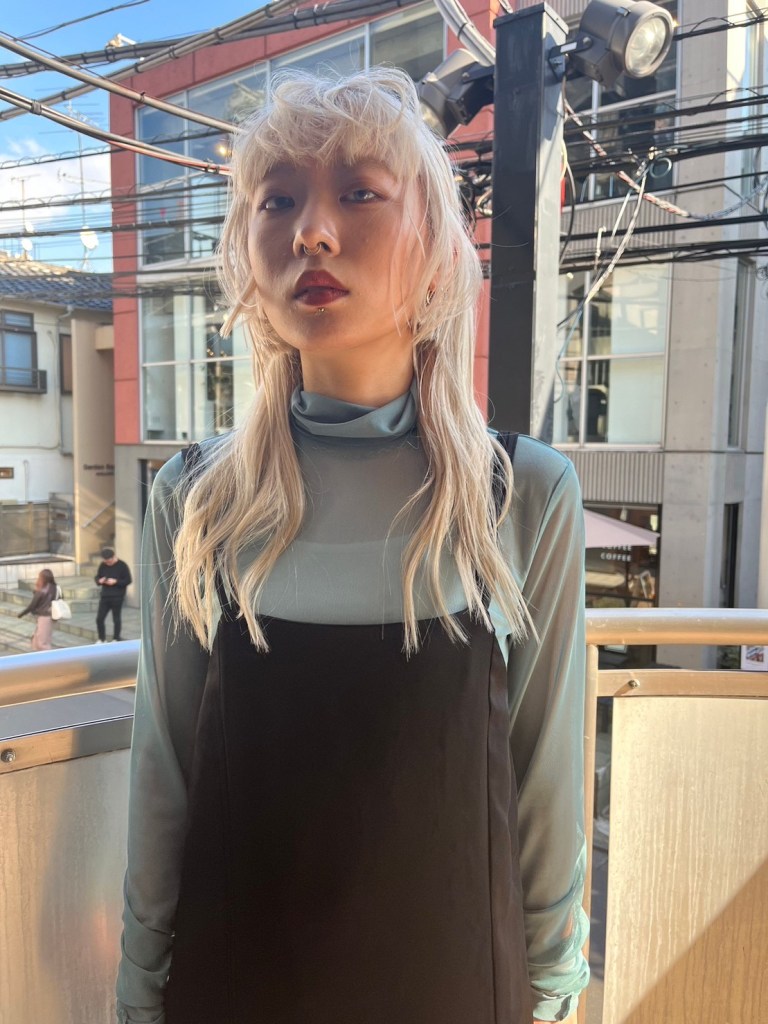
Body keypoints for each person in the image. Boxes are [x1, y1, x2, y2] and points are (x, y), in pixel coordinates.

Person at [116, 69, 589, 1024]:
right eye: (277, 200)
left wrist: (555, 992)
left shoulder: (520, 493)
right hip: (230, 988)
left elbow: (548, 777)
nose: (312, 233)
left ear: (436, 251)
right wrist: (137, 991)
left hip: (461, 990)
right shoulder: (196, 498)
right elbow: (162, 773)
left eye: (360, 192)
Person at [95, 546, 132, 643]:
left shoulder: (122, 565)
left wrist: (116, 582)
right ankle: (101, 638)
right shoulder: (103, 565)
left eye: (109, 561)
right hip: (105, 595)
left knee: (116, 618)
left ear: (114, 556)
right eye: (106, 562)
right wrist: (100, 580)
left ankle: (116, 638)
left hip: (117, 596)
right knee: (99, 618)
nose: (108, 563)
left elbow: (128, 580)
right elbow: (97, 577)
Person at [17, 568, 57, 651]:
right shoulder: (55, 588)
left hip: (44, 617)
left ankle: (50, 658)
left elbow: (32, 606)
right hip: (51, 616)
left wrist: (21, 614)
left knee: (42, 643)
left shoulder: (41, 590)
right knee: (36, 641)